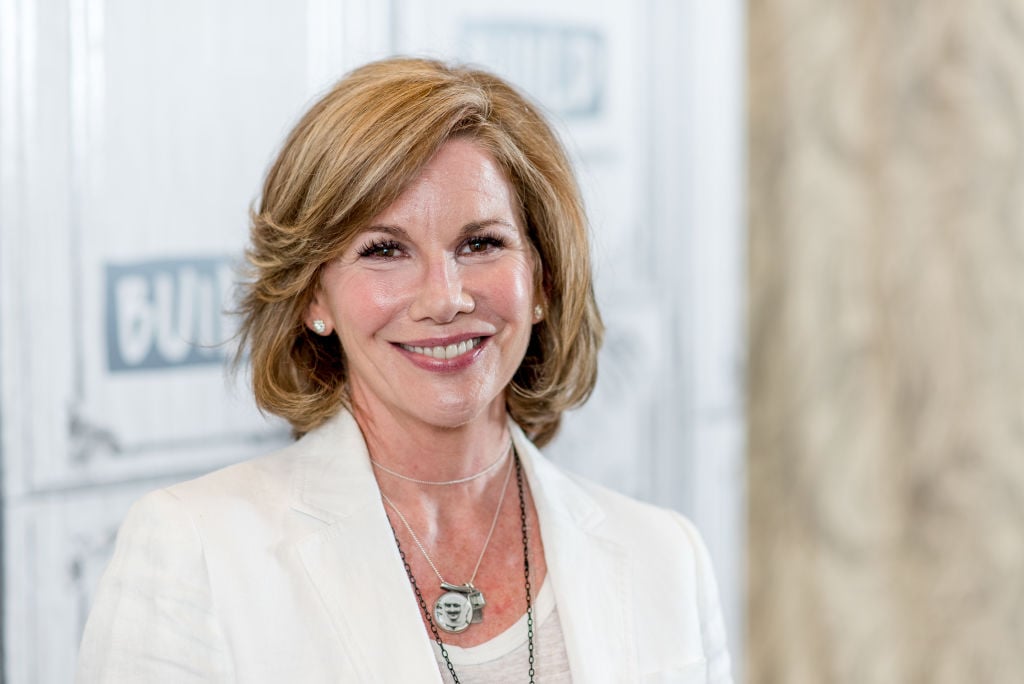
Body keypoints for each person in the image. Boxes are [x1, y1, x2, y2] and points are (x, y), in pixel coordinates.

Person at [77, 57, 732, 683]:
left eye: (481, 244)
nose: (445, 298)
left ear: (542, 282)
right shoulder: (195, 550)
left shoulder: (665, 558)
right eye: (384, 250)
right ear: (313, 297)